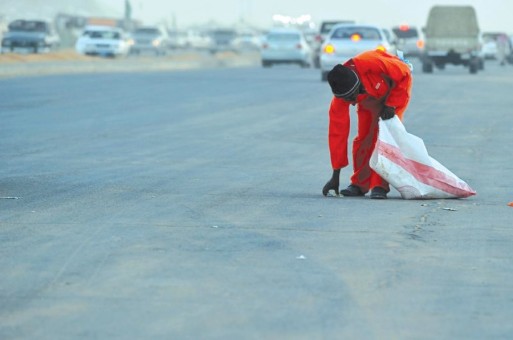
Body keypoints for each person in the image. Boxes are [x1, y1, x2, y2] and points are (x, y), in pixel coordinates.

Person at [322, 49, 412, 199]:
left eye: (352, 98)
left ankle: (380, 185)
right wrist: (335, 174)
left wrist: (392, 104)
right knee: (364, 138)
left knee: (384, 138)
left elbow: (405, 74)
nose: (351, 104)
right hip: (368, 99)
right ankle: (359, 183)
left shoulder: (372, 63)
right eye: (347, 100)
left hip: (395, 92)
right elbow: (337, 135)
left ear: (358, 84)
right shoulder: (341, 96)